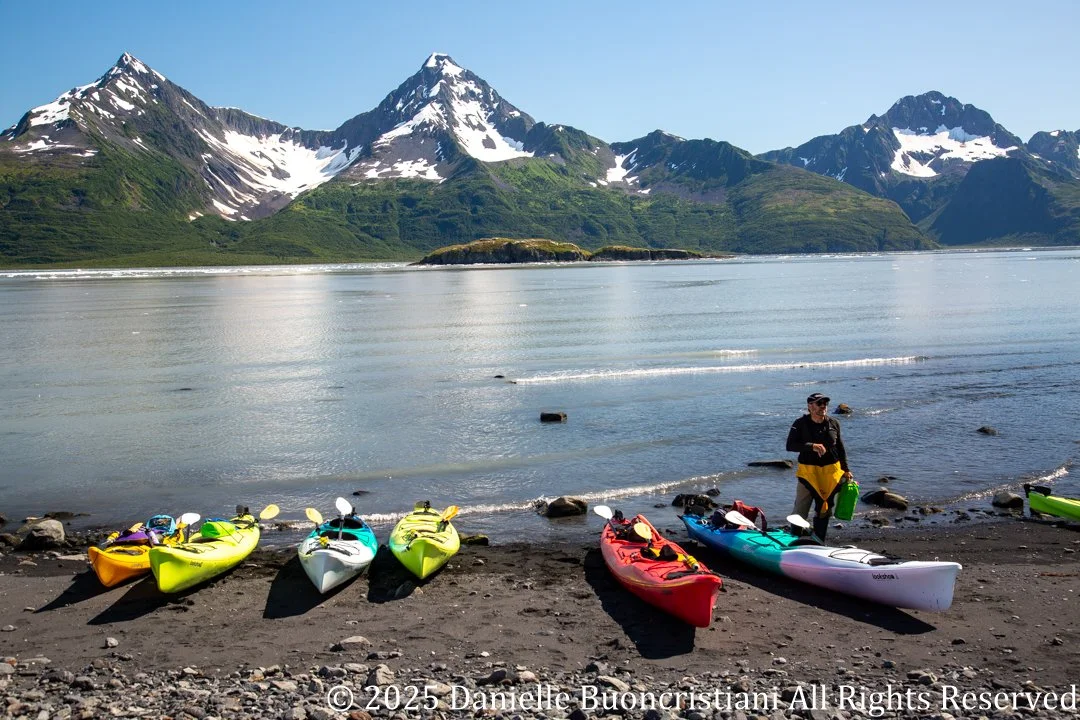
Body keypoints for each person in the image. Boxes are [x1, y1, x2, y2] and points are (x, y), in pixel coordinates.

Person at [786, 392, 852, 541]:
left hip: (831, 472)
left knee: (824, 508)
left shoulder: (834, 423)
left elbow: (840, 448)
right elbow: (790, 445)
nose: (823, 406)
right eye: (819, 403)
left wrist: (846, 469)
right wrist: (812, 446)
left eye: (825, 403)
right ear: (810, 406)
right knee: (800, 509)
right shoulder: (800, 424)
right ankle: (794, 539)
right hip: (808, 473)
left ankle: (819, 540)